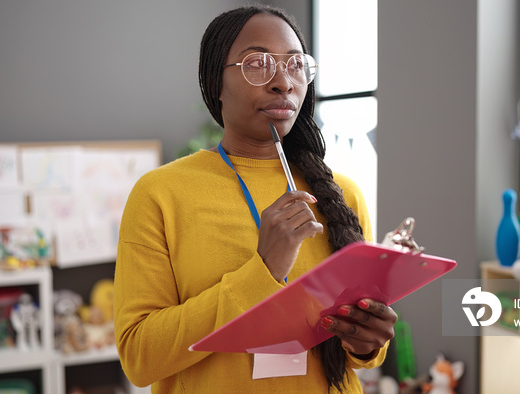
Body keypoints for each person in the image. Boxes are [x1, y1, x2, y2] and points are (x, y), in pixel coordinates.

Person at [114, 5, 397, 393]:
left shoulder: (342, 193)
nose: (283, 81)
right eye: (257, 64)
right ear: (216, 82)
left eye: (296, 65)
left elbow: (358, 355)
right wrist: (260, 271)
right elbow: (139, 358)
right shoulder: (160, 194)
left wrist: (367, 344)